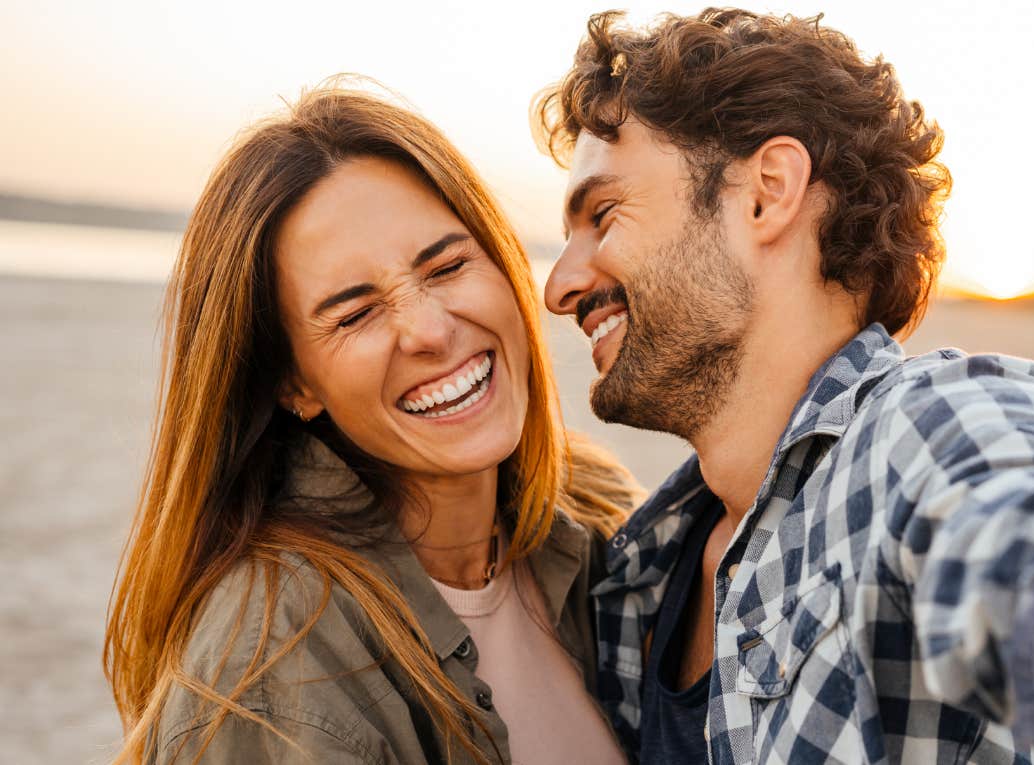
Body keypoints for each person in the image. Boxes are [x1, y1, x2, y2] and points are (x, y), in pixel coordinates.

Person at [535, 9, 1034, 765]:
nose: (559, 286)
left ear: (766, 192)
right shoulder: (636, 576)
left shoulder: (918, 434)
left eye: (602, 214)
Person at [104, 82, 640, 764]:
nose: (428, 329)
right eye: (355, 312)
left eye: (446, 265)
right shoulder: (273, 668)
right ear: (292, 382)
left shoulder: (595, 517)